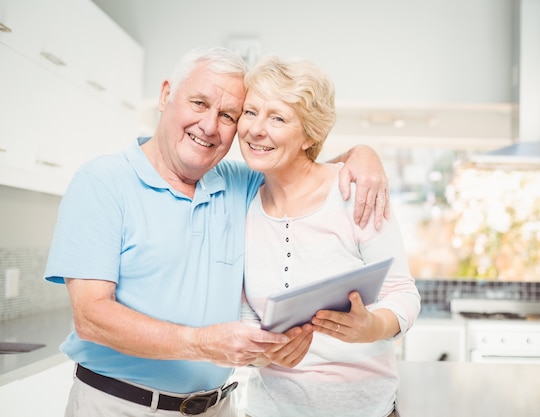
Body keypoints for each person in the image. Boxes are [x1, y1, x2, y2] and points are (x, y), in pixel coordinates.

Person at [43, 47, 390, 417]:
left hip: (217, 407)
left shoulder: (239, 184)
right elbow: (92, 317)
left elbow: (302, 167)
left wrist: (363, 153)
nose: (209, 126)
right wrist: (200, 344)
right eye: (198, 103)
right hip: (118, 405)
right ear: (165, 95)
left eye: (228, 115)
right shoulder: (103, 182)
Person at [238, 56, 421, 417]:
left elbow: (402, 293)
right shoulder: (241, 202)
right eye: (250, 112)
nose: (257, 129)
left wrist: (370, 327)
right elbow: (246, 315)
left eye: (277, 117)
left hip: (365, 409)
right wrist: (262, 353)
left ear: (310, 133)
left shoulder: (353, 190)